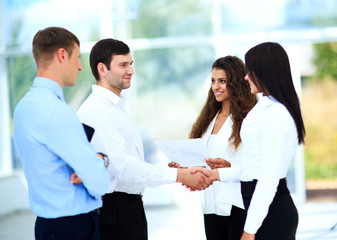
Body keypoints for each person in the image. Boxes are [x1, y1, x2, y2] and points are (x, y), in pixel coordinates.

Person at [77, 38, 213, 240]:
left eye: (131, 64)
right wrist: (179, 176)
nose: (131, 71)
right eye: (123, 65)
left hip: (127, 208)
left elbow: (127, 159)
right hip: (114, 211)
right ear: (102, 69)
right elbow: (122, 167)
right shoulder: (98, 111)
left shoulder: (115, 107)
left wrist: (173, 169)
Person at [197, 42, 305, 240]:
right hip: (260, 209)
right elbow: (251, 169)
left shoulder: (276, 114)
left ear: (265, 72)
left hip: (271, 214)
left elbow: (268, 178)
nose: (245, 77)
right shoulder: (265, 108)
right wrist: (215, 174)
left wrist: (249, 230)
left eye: (250, 71)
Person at [13, 27, 110, 240]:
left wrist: (93, 162)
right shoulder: (58, 113)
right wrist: (101, 161)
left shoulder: (23, 107)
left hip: (46, 227)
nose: (80, 66)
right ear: (62, 55)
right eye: (77, 58)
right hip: (74, 227)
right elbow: (99, 183)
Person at [169, 56, 257, 240]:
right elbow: (203, 158)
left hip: (237, 204)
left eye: (222, 81)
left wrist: (228, 167)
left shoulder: (250, 119)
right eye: (213, 81)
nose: (216, 86)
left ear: (236, 83)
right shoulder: (209, 118)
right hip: (210, 205)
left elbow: (255, 164)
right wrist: (185, 167)